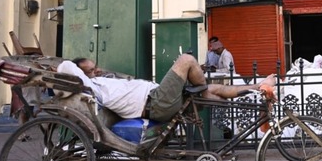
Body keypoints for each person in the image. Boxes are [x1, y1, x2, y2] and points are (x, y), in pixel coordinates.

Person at [58, 53, 276, 123]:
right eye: (90, 70)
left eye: (95, 68)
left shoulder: (103, 81)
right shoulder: (91, 86)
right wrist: (84, 74)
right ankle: (202, 89)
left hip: (158, 99)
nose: (96, 71)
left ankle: (259, 87)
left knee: (214, 91)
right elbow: (66, 65)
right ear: (81, 75)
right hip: (156, 102)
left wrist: (97, 72)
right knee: (186, 59)